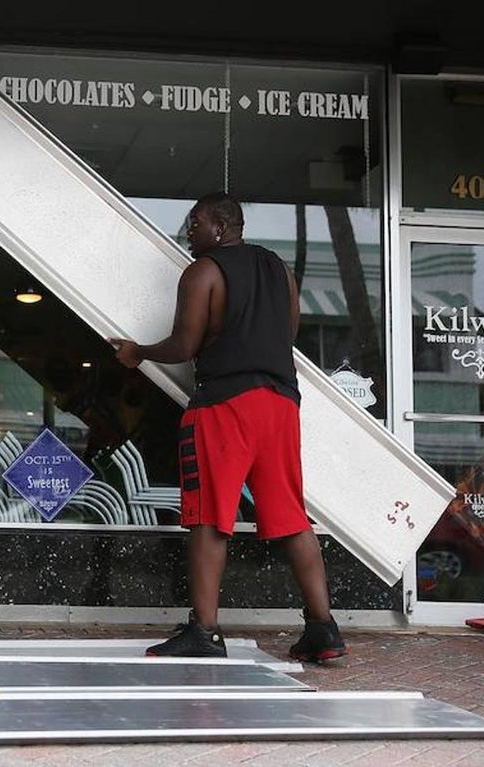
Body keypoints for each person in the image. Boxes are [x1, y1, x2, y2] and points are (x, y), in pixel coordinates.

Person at [109, 192, 346, 662]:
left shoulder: (203, 272)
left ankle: (204, 631)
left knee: (208, 516)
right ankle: (324, 630)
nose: (188, 230)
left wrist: (137, 352)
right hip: (280, 403)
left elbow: (183, 344)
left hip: (223, 405)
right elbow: (289, 332)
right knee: (290, 517)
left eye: (194, 222)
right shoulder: (280, 270)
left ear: (220, 226)